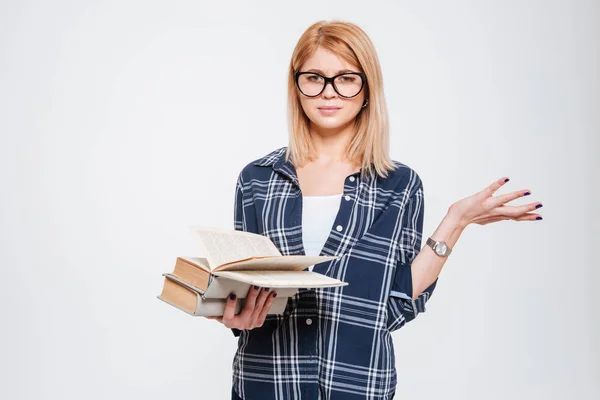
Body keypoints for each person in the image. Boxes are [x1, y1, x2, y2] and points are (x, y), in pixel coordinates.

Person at [206, 20, 543, 400]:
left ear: (367, 88)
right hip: (266, 384)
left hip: (357, 387)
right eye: (314, 77)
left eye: (346, 78)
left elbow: (396, 306)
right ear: (296, 85)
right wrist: (234, 313)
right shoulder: (257, 180)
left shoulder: (398, 186)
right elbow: (246, 285)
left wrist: (456, 220)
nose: (328, 92)